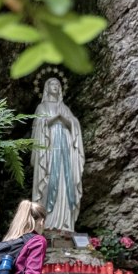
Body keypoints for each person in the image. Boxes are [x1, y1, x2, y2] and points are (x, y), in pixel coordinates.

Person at [31, 77, 85, 232]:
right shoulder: (42, 107)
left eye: (58, 84)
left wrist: (68, 120)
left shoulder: (65, 108)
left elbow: (74, 124)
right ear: (46, 88)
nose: (55, 87)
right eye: (52, 84)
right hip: (49, 150)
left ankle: (65, 224)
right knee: (49, 181)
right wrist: (55, 119)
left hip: (66, 151)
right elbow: (39, 126)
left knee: (65, 182)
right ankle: (47, 223)